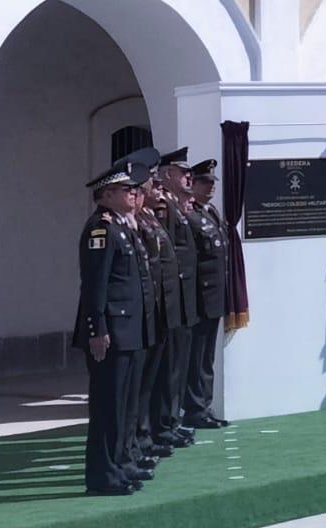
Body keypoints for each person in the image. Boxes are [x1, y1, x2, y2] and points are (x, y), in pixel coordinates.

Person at [74, 160, 148, 496]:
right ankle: (102, 475)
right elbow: (95, 285)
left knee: (123, 405)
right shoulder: (100, 230)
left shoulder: (121, 227)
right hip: (111, 331)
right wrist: (96, 329)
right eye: (125, 190)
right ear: (106, 194)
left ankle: (118, 465)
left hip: (128, 329)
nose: (133, 194)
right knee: (107, 406)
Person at [123, 147, 180, 470]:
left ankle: (142, 438)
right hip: (140, 317)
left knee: (148, 383)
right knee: (138, 387)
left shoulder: (147, 219)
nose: (156, 187)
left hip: (155, 313)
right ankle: (138, 439)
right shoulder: (125, 224)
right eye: (150, 184)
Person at [152, 148, 199, 445]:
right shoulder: (164, 208)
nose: (188, 177)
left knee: (179, 365)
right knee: (169, 367)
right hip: (173, 297)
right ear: (167, 175)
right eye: (183, 173)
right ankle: (165, 423)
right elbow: (167, 256)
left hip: (183, 298)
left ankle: (173, 418)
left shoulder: (178, 206)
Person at [183, 158, 229, 429]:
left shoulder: (210, 211)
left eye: (213, 182)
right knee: (196, 357)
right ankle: (194, 408)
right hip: (200, 296)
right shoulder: (189, 216)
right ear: (193, 184)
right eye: (205, 182)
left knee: (206, 358)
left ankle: (205, 405)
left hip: (214, 296)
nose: (210, 187)